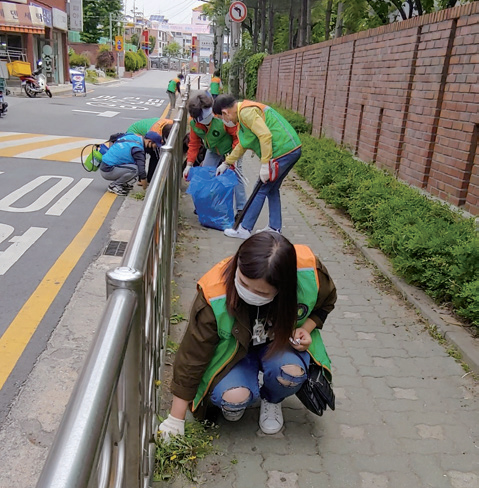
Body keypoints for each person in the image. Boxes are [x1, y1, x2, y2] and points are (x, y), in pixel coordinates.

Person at [159, 232, 337, 440]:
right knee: (234, 396)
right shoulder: (214, 293)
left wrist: (306, 328)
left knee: (291, 373)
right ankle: (237, 395)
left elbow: (327, 301)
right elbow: (192, 356)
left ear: (283, 289)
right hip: (232, 352)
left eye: (261, 293)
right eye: (243, 283)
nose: (250, 293)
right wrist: (175, 419)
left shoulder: (309, 273)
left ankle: (272, 399)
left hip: (278, 345)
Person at [213, 95, 302, 239]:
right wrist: (227, 162)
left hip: (282, 151)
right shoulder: (243, 116)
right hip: (291, 149)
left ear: (225, 112)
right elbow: (243, 144)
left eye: (222, 118)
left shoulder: (245, 113)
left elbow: (265, 135)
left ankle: (245, 228)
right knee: (271, 189)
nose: (225, 122)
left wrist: (265, 164)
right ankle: (274, 227)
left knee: (260, 188)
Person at [183, 91, 246, 217]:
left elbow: (237, 137)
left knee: (236, 175)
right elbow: (194, 143)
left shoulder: (222, 119)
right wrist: (189, 164)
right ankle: (205, 204)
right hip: (213, 150)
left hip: (232, 150)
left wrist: (230, 160)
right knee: (206, 173)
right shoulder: (194, 123)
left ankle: (241, 209)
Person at [99, 131, 163, 195]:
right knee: (136, 169)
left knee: (134, 166)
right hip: (107, 170)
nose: (154, 148)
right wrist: (145, 188)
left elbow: (114, 136)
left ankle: (121, 183)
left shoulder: (133, 137)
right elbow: (141, 170)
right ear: (149, 142)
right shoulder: (138, 149)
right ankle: (114, 185)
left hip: (105, 165)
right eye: (155, 146)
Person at [126, 117, 174, 182]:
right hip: (134, 134)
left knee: (154, 154)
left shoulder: (172, 125)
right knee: (150, 155)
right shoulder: (155, 132)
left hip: (143, 134)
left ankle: (149, 178)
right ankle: (144, 179)